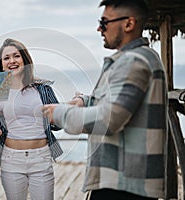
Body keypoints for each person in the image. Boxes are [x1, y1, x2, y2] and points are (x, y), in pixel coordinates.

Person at [43, 0, 167, 199]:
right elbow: (118, 101)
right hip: (122, 179)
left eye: (104, 22)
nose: (99, 29)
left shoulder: (134, 61)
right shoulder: (137, 58)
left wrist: (59, 114)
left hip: (124, 184)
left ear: (128, 24)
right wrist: (84, 102)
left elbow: (109, 118)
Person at [0, 38, 63, 200]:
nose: (12, 61)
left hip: (41, 158)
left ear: (25, 59)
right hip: (11, 159)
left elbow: (58, 124)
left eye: (16, 56)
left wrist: (66, 111)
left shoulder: (43, 88)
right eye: (6, 58)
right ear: (2, 64)